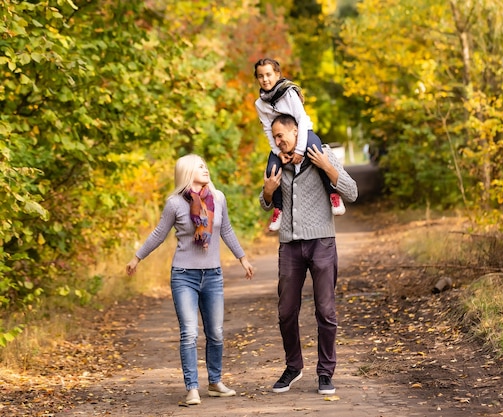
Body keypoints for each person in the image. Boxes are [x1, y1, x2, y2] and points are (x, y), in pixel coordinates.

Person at [126, 154, 254, 405]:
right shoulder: (174, 203)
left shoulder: (218, 198)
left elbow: (226, 229)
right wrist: (137, 258)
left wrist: (243, 258)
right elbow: (158, 234)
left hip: (213, 275)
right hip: (184, 276)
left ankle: (215, 382)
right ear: (186, 171)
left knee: (216, 332)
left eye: (206, 165)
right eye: (199, 166)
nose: (205, 169)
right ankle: (192, 388)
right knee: (189, 333)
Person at [259, 114, 358, 395]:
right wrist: (267, 193)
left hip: (322, 242)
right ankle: (294, 367)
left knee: (326, 311)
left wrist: (328, 167)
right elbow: (266, 203)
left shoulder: (320, 152)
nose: (278, 141)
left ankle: (325, 373)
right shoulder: (277, 161)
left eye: (282, 135)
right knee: (286, 311)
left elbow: (352, 192)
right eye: (274, 137)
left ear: (296, 130)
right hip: (289, 245)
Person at [254, 57, 345, 232]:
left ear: (277, 74)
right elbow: (267, 129)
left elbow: (302, 120)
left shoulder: (289, 92)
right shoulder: (260, 104)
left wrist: (301, 150)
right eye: (260, 76)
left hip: (303, 133)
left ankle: (333, 194)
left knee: (318, 154)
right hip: (280, 140)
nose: (265, 79)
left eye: (268, 74)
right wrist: (277, 152)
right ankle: (278, 209)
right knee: (271, 170)